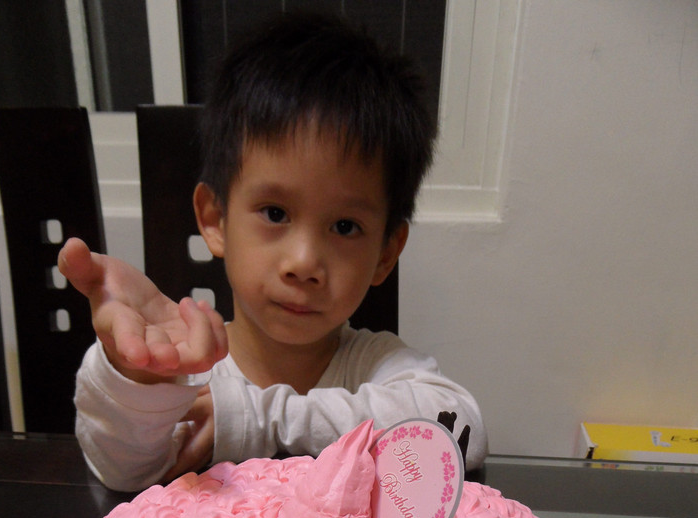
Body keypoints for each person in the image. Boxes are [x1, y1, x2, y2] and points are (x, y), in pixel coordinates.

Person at [63, 12, 488, 492]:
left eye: (344, 226)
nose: (304, 262)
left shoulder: (373, 364)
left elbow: (461, 430)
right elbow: (125, 471)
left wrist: (262, 417)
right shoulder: (189, 367)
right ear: (215, 219)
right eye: (275, 213)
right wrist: (133, 378)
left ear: (386, 254)